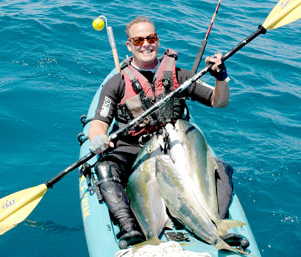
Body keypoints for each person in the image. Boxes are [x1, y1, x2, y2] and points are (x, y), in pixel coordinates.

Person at [88, 16, 232, 247]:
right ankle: (130, 230)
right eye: (138, 40)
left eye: (151, 38)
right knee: (105, 168)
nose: (146, 44)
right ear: (129, 45)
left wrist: (220, 77)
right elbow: (99, 123)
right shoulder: (116, 83)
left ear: (157, 40)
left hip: (175, 146)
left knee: (222, 169)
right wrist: (98, 138)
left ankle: (219, 224)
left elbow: (219, 101)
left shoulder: (179, 75)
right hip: (133, 149)